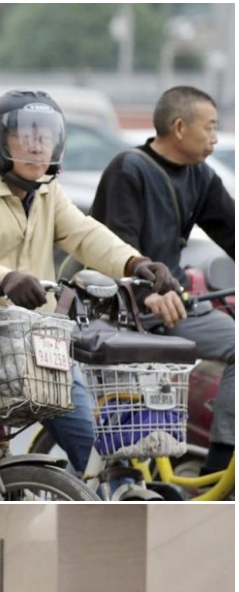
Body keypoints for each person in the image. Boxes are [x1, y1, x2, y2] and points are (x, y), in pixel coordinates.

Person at [0, 89, 178, 475]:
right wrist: (5, 277)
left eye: (45, 137)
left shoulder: (47, 191)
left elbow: (85, 235)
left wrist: (136, 262)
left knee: (97, 446)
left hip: (40, 339)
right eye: (26, 136)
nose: (37, 147)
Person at [90, 85, 235, 475]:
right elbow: (118, 249)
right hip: (123, 308)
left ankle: (220, 465)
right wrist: (146, 291)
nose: (216, 138)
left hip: (175, 303)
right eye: (210, 128)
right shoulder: (128, 169)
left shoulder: (201, 176)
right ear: (180, 127)